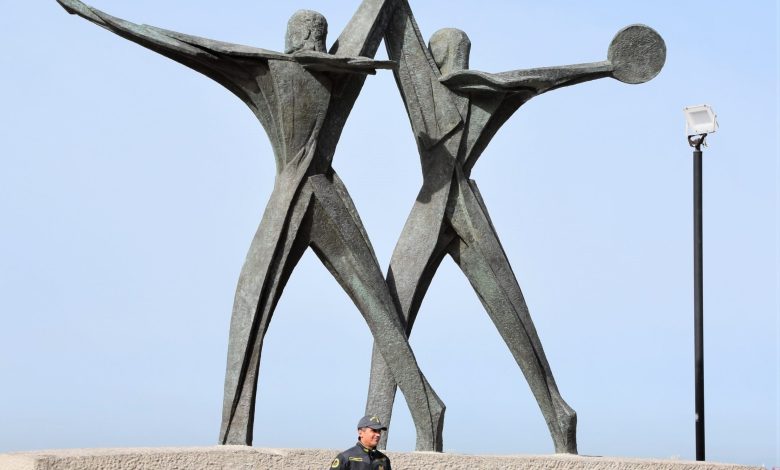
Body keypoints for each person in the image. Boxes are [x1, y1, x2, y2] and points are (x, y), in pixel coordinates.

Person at [57, 0, 445, 451]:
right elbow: (373, 16)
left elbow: (180, 44)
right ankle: (424, 407)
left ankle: (234, 437)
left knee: (254, 310)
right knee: (371, 313)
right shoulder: (341, 69)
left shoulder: (271, 70)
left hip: (298, 196)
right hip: (328, 194)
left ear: (298, 37)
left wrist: (93, 14)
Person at [365, 0, 664, 454]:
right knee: (483, 320)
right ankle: (554, 414)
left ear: (436, 55)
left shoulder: (427, 85)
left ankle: (379, 423)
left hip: (442, 206)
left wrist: (607, 67)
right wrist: (606, 68)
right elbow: (548, 76)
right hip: (462, 208)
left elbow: (398, 26)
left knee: (392, 316)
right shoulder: (496, 88)